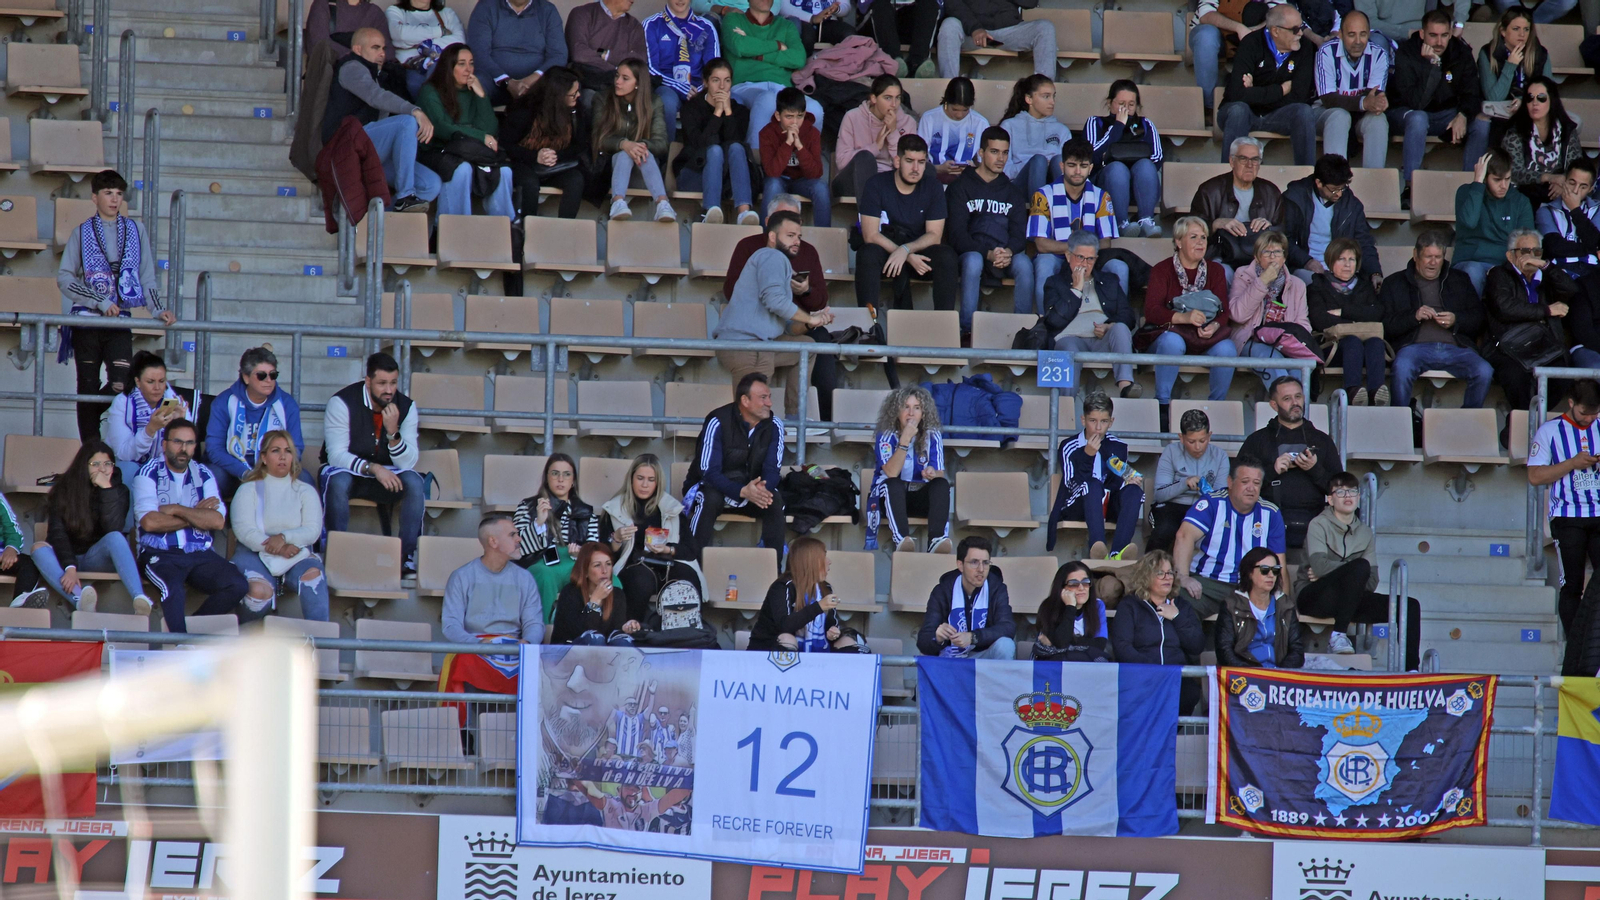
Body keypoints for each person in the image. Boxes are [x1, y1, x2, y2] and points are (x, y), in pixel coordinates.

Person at [58, 170, 175, 442]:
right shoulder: (82, 231)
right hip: (87, 320)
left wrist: (158, 309)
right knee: (86, 385)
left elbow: (147, 276)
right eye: (108, 193)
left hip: (121, 319)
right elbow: (65, 277)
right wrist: (99, 300)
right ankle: (90, 448)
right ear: (94, 197)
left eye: (119, 194)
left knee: (121, 382)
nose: (114, 199)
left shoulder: (136, 230)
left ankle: (105, 440)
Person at [722, 195, 837, 418]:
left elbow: (786, 327)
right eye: (791, 236)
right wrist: (811, 319)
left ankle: (794, 419)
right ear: (772, 236)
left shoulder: (779, 260)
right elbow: (774, 301)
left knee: (807, 347)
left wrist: (813, 321)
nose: (797, 241)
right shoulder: (771, 256)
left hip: (764, 342)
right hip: (742, 345)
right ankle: (763, 432)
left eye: (799, 236)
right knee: (753, 411)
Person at [1295, 470, 1422, 668]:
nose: (1348, 497)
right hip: (1315, 597)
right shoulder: (1318, 524)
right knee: (1360, 566)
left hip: (1350, 600)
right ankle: (1338, 635)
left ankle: (1411, 671)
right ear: (1330, 499)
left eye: (1353, 492)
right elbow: (1319, 566)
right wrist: (1350, 573)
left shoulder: (1365, 533)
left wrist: (1343, 574)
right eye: (1341, 492)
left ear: (1359, 496)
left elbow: (1371, 581)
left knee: (1410, 606)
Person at [134, 419, 250, 633]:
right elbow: (150, 522)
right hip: (159, 553)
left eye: (189, 443)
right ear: (165, 444)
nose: (183, 448)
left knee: (238, 584)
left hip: (200, 553)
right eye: (178, 442)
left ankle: (192, 634)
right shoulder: (147, 473)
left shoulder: (204, 473)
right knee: (173, 588)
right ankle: (179, 646)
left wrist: (177, 509)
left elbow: (216, 521)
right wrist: (196, 513)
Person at [321, 352, 425, 575]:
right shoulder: (341, 403)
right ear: (367, 381)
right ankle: (335, 552)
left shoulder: (406, 407)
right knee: (336, 480)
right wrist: (374, 468)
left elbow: (409, 462)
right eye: (382, 383)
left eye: (394, 383)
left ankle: (406, 557)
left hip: (388, 476)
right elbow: (336, 455)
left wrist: (393, 433)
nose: (389, 390)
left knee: (415, 482)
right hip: (350, 472)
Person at [19, 441, 146, 613]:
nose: (102, 469)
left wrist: (107, 491)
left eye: (107, 464)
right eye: (95, 464)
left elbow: (113, 527)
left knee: (116, 537)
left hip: (98, 557)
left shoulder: (119, 491)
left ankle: (139, 598)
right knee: (38, 548)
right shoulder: (64, 490)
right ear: (83, 466)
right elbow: (57, 533)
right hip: (67, 557)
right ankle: (79, 599)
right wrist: (69, 567)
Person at [321, 27, 438, 213]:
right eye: (375, 48)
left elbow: (380, 112)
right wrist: (415, 111)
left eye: (383, 48)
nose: (382, 53)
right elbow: (376, 97)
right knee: (406, 122)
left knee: (430, 184)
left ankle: (375, 219)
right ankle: (405, 196)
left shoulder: (373, 72)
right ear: (358, 49)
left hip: (369, 148)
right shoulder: (351, 66)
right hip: (345, 149)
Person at [1528, 380, 1600, 673]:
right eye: (1585, 412)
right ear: (1571, 402)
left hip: (1598, 513)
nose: (1589, 419)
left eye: (1595, 414)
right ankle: (1577, 649)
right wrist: (1572, 463)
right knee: (1571, 585)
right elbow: (1535, 476)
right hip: (1567, 516)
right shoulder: (1549, 431)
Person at [1380, 230, 1494, 412]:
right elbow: (1385, 326)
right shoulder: (1394, 283)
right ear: (1416, 255)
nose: (1433, 262)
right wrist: (1414, 316)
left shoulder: (1459, 279)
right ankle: (1400, 420)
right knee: (1401, 368)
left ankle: (1467, 419)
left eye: (1438, 257)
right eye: (1428, 256)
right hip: (1413, 348)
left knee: (1484, 371)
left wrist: (1457, 319)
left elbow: (1479, 317)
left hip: (1456, 348)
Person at [685, 372, 787, 563]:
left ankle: (775, 571)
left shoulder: (775, 425)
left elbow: (773, 470)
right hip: (714, 487)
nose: (769, 403)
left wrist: (760, 489)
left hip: (752, 490)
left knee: (774, 499)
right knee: (708, 499)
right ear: (745, 400)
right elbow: (708, 472)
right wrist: (742, 491)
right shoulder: (717, 421)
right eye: (763, 398)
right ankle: (690, 565)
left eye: (769, 397)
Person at [1140, 216, 1238, 413]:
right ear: (1178, 242)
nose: (1201, 242)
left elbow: (1223, 311)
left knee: (1227, 349)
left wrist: (1215, 326)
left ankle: (1216, 409)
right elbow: (1151, 311)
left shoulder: (1216, 270)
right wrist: (1184, 318)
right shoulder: (1162, 269)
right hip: (1171, 334)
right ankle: (1163, 405)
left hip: (1204, 337)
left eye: (1203, 237)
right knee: (1172, 342)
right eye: (1193, 237)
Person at [1172, 455, 1287, 620]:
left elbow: (1279, 561)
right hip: (1207, 584)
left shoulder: (1271, 513)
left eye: (1256, 483)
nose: (1251, 488)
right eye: (1245, 481)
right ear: (1230, 482)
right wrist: (1183, 577)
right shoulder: (1212, 503)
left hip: (1251, 587)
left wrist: (1281, 597)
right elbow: (1184, 536)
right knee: (1177, 603)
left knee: (1281, 611)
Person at [230, 430, 329, 622]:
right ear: (264, 458)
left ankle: (321, 644)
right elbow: (244, 531)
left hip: (295, 551)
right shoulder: (248, 489)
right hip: (253, 552)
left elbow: (312, 530)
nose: (283, 456)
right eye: (276, 451)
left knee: (314, 576)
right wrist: (278, 547)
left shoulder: (305, 490)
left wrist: (284, 538)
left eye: (288, 451)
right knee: (258, 592)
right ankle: (249, 646)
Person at [854, 135, 958, 315]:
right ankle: (867, 328)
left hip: (919, 254)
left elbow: (934, 235)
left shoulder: (933, 187)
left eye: (921, 162)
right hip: (887, 253)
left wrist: (906, 250)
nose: (916, 168)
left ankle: (943, 326)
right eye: (909, 161)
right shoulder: (876, 184)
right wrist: (904, 253)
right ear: (897, 161)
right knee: (867, 253)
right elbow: (870, 235)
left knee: (947, 256)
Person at [1389, 11, 1488, 196]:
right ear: (1422, 34)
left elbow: (1473, 93)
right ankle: (1411, 188)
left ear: (1450, 34)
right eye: (1433, 35)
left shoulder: (1460, 52)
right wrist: (1433, 67)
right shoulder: (1407, 52)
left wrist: (1463, 115)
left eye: (1444, 35)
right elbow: (1416, 102)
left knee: (1481, 124)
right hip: (1407, 114)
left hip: (1446, 116)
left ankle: (1471, 190)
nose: (1439, 42)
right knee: (1418, 118)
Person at [946, 125, 1032, 336]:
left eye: (1004, 153)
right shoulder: (960, 187)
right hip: (972, 253)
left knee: (1025, 264)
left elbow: (1019, 234)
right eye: (994, 152)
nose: (1000, 158)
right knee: (974, 261)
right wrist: (988, 253)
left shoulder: (1012, 192)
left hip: (1004, 254)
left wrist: (1009, 251)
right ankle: (967, 330)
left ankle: (1024, 331)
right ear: (981, 153)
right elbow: (957, 235)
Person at [1485, 227, 1578, 420]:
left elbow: (1571, 289)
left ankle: (1530, 420)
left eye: (1537, 251)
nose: (1531, 256)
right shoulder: (1499, 274)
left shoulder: (1546, 277)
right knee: (1517, 376)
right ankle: (1523, 421)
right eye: (1525, 251)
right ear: (1511, 256)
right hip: (1509, 344)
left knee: (1562, 375)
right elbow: (1505, 308)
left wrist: (1546, 266)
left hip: (1545, 344)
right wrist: (1546, 310)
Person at [415, 45, 517, 220]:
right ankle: (454, 231)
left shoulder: (472, 91)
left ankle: (503, 232)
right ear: (449, 66)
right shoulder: (430, 91)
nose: (468, 69)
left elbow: (489, 129)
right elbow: (442, 127)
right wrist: (479, 136)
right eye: (461, 64)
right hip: (438, 150)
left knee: (504, 171)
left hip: (470, 152)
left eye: (471, 63)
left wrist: (481, 96)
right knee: (461, 170)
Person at [1027, 137, 1124, 315]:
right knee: (1044, 263)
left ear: (1091, 168)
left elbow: (1106, 242)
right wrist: (1075, 251)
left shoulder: (1102, 197)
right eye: (1072, 165)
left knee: (1119, 267)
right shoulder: (1042, 195)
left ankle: (1117, 326)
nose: (1078, 171)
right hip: (1056, 257)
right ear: (1062, 166)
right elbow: (1041, 243)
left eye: (1083, 166)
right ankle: (1043, 324)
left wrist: (1082, 255)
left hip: (1090, 258)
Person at [1240, 376, 1339, 547]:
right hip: (1265, 521)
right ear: (1273, 405)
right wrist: (1271, 471)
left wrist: (1315, 469)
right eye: (1287, 398)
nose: (1295, 403)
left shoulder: (1322, 441)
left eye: (1298, 396)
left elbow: (1341, 489)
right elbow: (1238, 486)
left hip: (1314, 520)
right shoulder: (1257, 440)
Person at [1041, 231, 1139, 396]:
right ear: (1067, 255)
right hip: (1069, 340)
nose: (1085, 264)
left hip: (1101, 340)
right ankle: (1066, 406)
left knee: (1120, 328)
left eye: (1090, 259)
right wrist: (1076, 290)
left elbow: (1127, 315)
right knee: (1067, 351)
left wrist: (1109, 326)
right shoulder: (1054, 283)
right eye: (1080, 257)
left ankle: (1126, 387)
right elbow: (1052, 322)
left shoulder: (1109, 281)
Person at [1048, 391, 1145, 558]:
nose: (1098, 428)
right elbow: (1073, 484)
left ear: (1111, 422)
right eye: (1093, 421)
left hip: (1107, 504)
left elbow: (1116, 483)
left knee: (1134, 491)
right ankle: (1097, 547)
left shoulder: (1118, 446)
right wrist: (1087, 455)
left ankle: (1117, 552)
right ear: (1083, 420)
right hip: (1077, 505)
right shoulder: (1068, 446)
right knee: (1092, 484)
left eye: (1104, 421)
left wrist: (1129, 481)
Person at [601, 454, 702, 613]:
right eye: (640, 478)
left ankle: (688, 632)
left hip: (665, 563)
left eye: (651, 479)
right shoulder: (614, 508)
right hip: (633, 565)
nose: (645, 485)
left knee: (687, 576)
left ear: (658, 482)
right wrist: (617, 539)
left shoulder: (671, 508)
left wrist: (667, 549)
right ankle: (632, 630)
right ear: (631, 479)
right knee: (640, 580)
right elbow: (602, 552)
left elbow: (691, 550)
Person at [1219, 4, 1317, 167]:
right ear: (1275, 31)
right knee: (1238, 110)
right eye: (1294, 29)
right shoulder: (1251, 43)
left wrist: (1253, 93)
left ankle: (1307, 178)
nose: (1300, 33)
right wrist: (1280, 90)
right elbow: (1236, 94)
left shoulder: (1305, 47)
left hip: (1279, 115)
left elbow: (1299, 97)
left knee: (1304, 111)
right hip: (1245, 114)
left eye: (1301, 27)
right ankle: (1227, 181)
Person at [1108, 550, 1204, 713]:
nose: (1167, 578)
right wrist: (1152, 669)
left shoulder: (1181, 606)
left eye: (1170, 573)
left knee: (1190, 693)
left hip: (1175, 677)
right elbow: (1122, 646)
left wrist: (1177, 617)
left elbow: (1197, 645)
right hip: (1141, 674)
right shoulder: (1130, 605)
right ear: (1146, 576)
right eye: (1160, 573)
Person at [721, 0, 824, 150]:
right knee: (768, 99)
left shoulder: (786, 25)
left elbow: (798, 58)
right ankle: (754, 162)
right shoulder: (733, 19)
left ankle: (802, 165)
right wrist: (777, 45)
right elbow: (740, 46)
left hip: (783, 89)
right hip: (745, 86)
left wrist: (759, 55)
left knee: (815, 109)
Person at [206, 346, 305, 501]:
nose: (269, 381)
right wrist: (245, 472)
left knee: (305, 480)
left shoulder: (287, 404)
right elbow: (214, 449)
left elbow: (296, 447)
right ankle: (214, 523)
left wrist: (273, 469)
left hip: (272, 467)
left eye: (273, 375)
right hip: (233, 469)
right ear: (246, 377)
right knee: (212, 476)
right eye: (261, 375)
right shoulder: (223, 402)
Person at [514, 454, 601, 621]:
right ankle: (540, 631)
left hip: (575, 563)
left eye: (566, 474)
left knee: (609, 577)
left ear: (573, 480)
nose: (561, 479)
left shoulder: (585, 511)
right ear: (547, 478)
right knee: (545, 575)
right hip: (540, 561)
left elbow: (594, 547)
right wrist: (539, 521)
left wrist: (581, 555)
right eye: (555, 473)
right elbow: (517, 547)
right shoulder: (528, 506)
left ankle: (606, 630)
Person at [866, 386, 951, 553]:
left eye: (917, 408)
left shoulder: (932, 435)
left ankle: (936, 539)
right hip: (889, 499)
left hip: (917, 496)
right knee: (893, 484)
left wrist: (933, 473)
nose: (911, 413)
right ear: (896, 411)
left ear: (924, 413)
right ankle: (902, 540)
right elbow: (891, 473)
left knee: (941, 484)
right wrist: (905, 439)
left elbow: (939, 471)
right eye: (906, 407)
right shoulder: (886, 434)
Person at [500, 66, 591, 219]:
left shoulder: (576, 111)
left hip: (557, 165)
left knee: (575, 180)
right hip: (524, 163)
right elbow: (506, 145)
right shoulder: (525, 110)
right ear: (558, 95)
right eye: (573, 94)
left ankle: (565, 228)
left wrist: (556, 155)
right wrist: (535, 156)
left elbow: (580, 145)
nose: (578, 95)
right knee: (529, 184)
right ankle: (526, 230)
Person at [676, 58, 757, 226]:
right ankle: (710, 211)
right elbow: (699, 145)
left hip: (728, 179)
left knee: (735, 147)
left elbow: (736, 144)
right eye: (716, 80)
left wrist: (727, 112)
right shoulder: (691, 108)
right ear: (705, 83)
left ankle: (743, 212)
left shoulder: (740, 111)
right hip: (695, 173)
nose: (722, 86)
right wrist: (717, 112)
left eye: (727, 81)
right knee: (714, 150)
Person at [443, 514, 546, 644]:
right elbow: (451, 625)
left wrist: (527, 642)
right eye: (512, 535)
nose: (519, 539)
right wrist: (476, 644)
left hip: (514, 648)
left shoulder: (525, 578)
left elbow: (534, 623)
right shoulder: (461, 577)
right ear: (493, 542)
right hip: (473, 648)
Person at [1309, 237, 1389, 405]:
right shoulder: (1318, 286)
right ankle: (1353, 392)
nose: (1347, 264)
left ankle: (1377, 393)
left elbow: (1376, 313)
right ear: (1330, 262)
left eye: (1351, 259)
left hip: (1366, 345)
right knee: (1352, 341)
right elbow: (1320, 319)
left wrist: (1343, 312)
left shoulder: (1365, 286)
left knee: (1375, 342)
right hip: (1332, 346)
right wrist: (1358, 320)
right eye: (1341, 259)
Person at [1229, 231, 1313, 388]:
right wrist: (1261, 282)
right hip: (1250, 340)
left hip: (1284, 343)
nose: (1273, 256)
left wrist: (1290, 340)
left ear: (1284, 257)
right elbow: (1238, 315)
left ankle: (1296, 410)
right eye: (1266, 252)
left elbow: (1303, 324)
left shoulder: (1297, 284)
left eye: (1277, 252)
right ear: (1257, 256)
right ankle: (1286, 406)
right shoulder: (1243, 274)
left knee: (1300, 369)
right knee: (1273, 360)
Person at [1283, 154, 1381, 288]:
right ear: (1318, 183)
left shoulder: (1352, 205)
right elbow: (1283, 239)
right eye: (1334, 190)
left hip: (1342, 270)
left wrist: (1374, 272)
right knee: (1316, 287)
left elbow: (1363, 242)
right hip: (1303, 267)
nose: (1340, 194)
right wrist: (1306, 261)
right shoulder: (1295, 198)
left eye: (1343, 188)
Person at [595, 58, 674, 223]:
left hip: (642, 169)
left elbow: (661, 143)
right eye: (617, 76)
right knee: (624, 154)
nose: (617, 81)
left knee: (642, 151)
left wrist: (641, 145)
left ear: (638, 83)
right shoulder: (603, 99)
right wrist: (624, 144)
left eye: (625, 78)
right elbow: (598, 139)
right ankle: (618, 202)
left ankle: (662, 205)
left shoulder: (653, 102)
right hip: (606, 169)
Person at [1190, 137, 1285, 272]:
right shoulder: (1209, 190)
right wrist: (1216, 224)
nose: (1249, 165)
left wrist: (1269, 229)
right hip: (1220, 256)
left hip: (1261, 258)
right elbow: (1190, 233)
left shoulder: (1271, 192)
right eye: (1243, 159)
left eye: (1255, 159)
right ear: (1231, 161)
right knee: (1223, 273)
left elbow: (1284, 234)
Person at [750, 537, 861, 651]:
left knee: (849, 641)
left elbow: (831, 624)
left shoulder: (825, 588)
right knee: (787, 639)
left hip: (819, 647)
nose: (829, 561)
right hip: (768, 651)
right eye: (824, 557)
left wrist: (833, 632)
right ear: (810, 562)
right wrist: (819, 606)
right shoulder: (782, 587)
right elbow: (784, 626)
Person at [1085, 80, 1164, 238]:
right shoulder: (1096, 122)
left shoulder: (1146, 124)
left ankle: (1146, 221)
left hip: (1140, 187)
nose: (1126, 109)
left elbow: (1157, 157)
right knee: (1118, 169)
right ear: (1110, 103)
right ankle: (1121, 223)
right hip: (1107, 183)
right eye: (1121, 103)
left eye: (1131, 104)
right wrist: (1118, 126)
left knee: (1145, 165)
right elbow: (1091, 154)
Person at [916, 536, 1017, 659]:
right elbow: (923, 641)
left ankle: (996, 680)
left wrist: (973, 637)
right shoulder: (942, 590)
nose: (981, 569)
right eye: (974, 562)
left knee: (1006, 645)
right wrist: (937, 638)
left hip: (981, 658)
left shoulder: (996, 588)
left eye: (985, 563)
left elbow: (1007, 627)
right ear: (960, 565)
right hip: (950, 659)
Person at [1312, 11, 1388, 171]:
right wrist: (1364, 102)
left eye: (1363, 34)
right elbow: (1328, 99)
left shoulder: (1378, 53)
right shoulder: (1326, 52)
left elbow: (1373, 97)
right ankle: (1335, 182)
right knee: (1340, 115)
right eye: (1351, 35)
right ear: (1340, 34)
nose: (1358, 41)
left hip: (1360, 116)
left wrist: (1377, 103)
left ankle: (1374, 183)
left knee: (1378, 121)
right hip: (1324, 113)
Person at [1456, 150, 1537, 296]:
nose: (1503, 185)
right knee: (1473, 271)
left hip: (1505, 263)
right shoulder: (1466, 192)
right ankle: (1474, 318)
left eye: (1507, 179)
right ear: (1485, 177)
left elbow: (1527, 242)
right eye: (1497, 180)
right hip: (1471, 261)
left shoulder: (1520, 201)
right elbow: (1469, 221)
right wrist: (1477, 184)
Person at [1151, 409, 1230, 555]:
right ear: (1181, 438)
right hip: (1172, 505)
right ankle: (1149, 572)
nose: (1198, 447)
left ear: (1209, 436)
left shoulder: (1220, 456)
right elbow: (1159, 495)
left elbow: (1221, 498)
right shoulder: (1171, 451)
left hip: (1205, 507)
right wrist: (1184, 483)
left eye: (1202, 440)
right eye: (1191, 441)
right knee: (1163, 531)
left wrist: (1206, 491)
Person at [106, 350, 190, 485]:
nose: (157, 387)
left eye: (162, 381)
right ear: (138, 382)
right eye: (150, 382)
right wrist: (150, 430)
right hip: (131, 464)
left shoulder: (173, 400)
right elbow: (123, 454)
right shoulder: (123, 403)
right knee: (128, 471)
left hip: (165, 465)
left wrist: (180, 423)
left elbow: (186, 451)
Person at [644, 0, 720, 146]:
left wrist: (701, 90)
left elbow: (715, 68)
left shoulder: (706, 26)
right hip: (667, 86)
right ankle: (665, 159)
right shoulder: (652, 24)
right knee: (666, 102)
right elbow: (650, 69)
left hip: (700, 87)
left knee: (718, 100)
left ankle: (706, 158)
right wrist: (681, 88)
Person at [1216, 546, 1304, 668]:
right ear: (1249, 573)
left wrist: (1280, 674)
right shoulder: (1231, 605)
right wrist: (1253, 675)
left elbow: (1297, 650)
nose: (1271, 575)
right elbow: (1224, 651)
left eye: (1275, 570)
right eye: (1264, 570)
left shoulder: (1286, 605)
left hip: (1278, 678)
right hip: (1245, 678)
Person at [833, 75, 917, 202]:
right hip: (852, 179)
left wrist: (893, 133)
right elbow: (841, 162)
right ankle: (867, 219)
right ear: (873, 98)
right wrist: (875, 147)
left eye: (898, 98)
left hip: (889, 179)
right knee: (865, 158)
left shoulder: (908, 122)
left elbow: (906, 165)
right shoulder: (852, 117)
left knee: (925, 169)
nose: (894, 105)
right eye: (887, 98)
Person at [467, 0, 568, 105]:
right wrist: (506, 81)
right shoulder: (486, 7)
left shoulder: (547, 10)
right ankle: (481, 121)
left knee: (562, 85)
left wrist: (531, 80)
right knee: (474, 83)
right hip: (494, 81)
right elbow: (479, 53)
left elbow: (558, 55)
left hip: (537, 83)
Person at [1502, 77, 1582, 208]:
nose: (1535, 102)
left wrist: (1564, 183)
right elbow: (1514, 172)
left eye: (1541, 98)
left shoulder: (1567, 130)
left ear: (1551, 100)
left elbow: (1577, 166)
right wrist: (1548, 178)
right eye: (1530, 98)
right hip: (1525, 195)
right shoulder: (1514, 132)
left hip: (1561, 192)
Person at [935, 0, 1057, 80]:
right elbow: (952, 4)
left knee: (1045, 28)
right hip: (970, 32)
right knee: (949, 25)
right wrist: (974, 28)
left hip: (1007, 31)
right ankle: (949, 90)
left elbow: (1030, 2)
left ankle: (1044, 93)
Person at [758, 87, 828, 226]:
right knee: (772, 184)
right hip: (778, 180)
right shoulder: (766, 133)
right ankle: (765, 238)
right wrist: (788, 143)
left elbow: (816, 173)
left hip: (801, 181)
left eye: (799, 116)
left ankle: (824, 235)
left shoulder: (812, 133)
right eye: (789, 117)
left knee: (821, 188)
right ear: (778, 116)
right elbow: (772, 172)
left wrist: (800, 147)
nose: (795, 122)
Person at [551, 542, 641, 645]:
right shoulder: (570, 593)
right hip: (570, 653)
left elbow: (614, 633)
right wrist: (595, 601)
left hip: (605, 655)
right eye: (597, 565)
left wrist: (625, 627)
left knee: (622, 640)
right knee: (594, 639)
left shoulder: (617, 594)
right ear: (585, 571)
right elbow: (580, 632)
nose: (605, 570)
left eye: (608, 564)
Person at [999, 74, 1070, 198]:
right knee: (1039, 161)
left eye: (1053, 96)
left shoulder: (1062, 130)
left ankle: (1063, 211)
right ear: (1029, 99)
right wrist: (1033, 165)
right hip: (1019, 186)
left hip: (1053, 186)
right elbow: (1004, 170)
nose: (1052, 102)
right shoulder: (1009, 126)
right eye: (1046, 96)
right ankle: (1039, 214)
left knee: (1059, 160)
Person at [1188, 0, 1257, 117]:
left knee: (1280, 31)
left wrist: (1253, 30)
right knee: (1206, 37)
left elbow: (1280, 13)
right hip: (1218, 35)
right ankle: (1209, 107)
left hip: (1256, 35)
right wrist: (1239, 28)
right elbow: (1205, 14)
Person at [1482, 7, 1558, 111]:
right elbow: (1494, 98)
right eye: (1516, 29)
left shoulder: (1540, 53)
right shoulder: (1488, 53)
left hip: (1532, 108)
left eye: (1526, 29)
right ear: (1503, 31)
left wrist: (1524, 101)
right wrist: (1510, 66)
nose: (1522, 34)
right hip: (1501, 110)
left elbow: (1548, 93)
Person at [919, 77, 991, 186]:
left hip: (967, 183)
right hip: (933, 181)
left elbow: (984, 163)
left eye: (965, 110)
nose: (959, 115)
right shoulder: (929, 119)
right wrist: (937, 169)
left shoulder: (980, 123)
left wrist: (973, 168)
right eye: (955, 109)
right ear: (946, 102)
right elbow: (919, 157)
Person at [565, 0, 647, 95]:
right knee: (589, 97)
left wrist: (606, 54)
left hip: (621, 87)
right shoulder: (582, 13)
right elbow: (579, 53)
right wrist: (615, 69)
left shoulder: (634, 25)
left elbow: (640, 60)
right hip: (588, 83)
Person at [1033, 561, 1110, 662]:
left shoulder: (1097, 605)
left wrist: (1070, 641)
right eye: (1074, 584)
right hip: (1056, 666)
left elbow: (1099, 645)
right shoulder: (1048, 607)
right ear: (1062, 588)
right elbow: (1062, 642)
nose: (1081, 588)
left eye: (1085, 582)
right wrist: (1070, 607)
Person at [387, 0, 466, 98]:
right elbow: (399, 34)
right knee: (418, 84)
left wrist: (425, 44)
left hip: (441, 64)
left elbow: (459, 41)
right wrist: (441, 32)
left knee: (438, 71)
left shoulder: (447, 13)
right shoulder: (395, 11)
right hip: (409, 67)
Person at [1538, 158, 1600, 279]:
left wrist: (1575, 210)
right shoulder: (1546, 210)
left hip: (1593, 271)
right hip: (1559, 271)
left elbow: (1595, 241)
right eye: (1572, 183)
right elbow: (1553, 247)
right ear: (1564, 181)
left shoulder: (1598, 209)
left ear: (1591, 189)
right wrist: (1591, 249)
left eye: (1583, 186)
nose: (1575, 191)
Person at [859, 0, 941, 79]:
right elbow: (862, 7)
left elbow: (940, 7)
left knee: (929, 4)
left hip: (911, 22)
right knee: (880, 4)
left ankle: (917, 63)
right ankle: (893, 63)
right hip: (879, 19)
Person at [307, 0, 392, 59]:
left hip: (366, 77)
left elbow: (388, 51)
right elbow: (319, 45)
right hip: (329, 77)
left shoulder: (374, 12)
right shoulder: (323, 4)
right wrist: (358, 59)